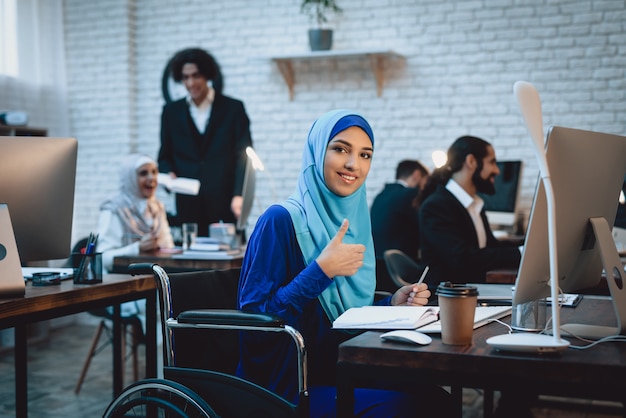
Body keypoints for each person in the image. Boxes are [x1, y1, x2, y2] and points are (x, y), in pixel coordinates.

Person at [236, 109, 453, 417]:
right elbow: (255, 324)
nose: (354, 164)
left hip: (339, 367)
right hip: (286, 385)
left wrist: (391, 303)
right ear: (316, 151)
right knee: (408, 407)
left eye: (365, 155)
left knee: (435, 399)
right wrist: (320, 272)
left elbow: (341, 320)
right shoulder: (280, 219)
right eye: (340, 149)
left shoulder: (354, 222)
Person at [158, 47, 252, 236]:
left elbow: (244, 157)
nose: (191, 82)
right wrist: (168, 174)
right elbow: (164, 156)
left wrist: (239, 195)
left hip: (225, 203)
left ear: (208, 75)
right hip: (187, 206)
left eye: (196, 75)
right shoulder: (171, 112)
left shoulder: (233, 109)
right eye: (185, 78)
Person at [418, 136, 522, 286]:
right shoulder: (436, 206)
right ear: (471, 161)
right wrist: (519, 252)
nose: (497, 170)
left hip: (474, 289)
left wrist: (525, 247)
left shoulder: (475, 204)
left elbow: (489, 247)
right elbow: (461, 259)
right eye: (492, 162)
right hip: (446, 298)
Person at [96, 153, 174, 273]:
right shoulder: (114, 207)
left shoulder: (157, 207)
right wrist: (137, 248)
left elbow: (168, 246)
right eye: (143, 173)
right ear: (130, 177)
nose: (151, 178)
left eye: (154, 172)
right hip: (120, 281)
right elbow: (103, 258)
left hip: (152, 278)